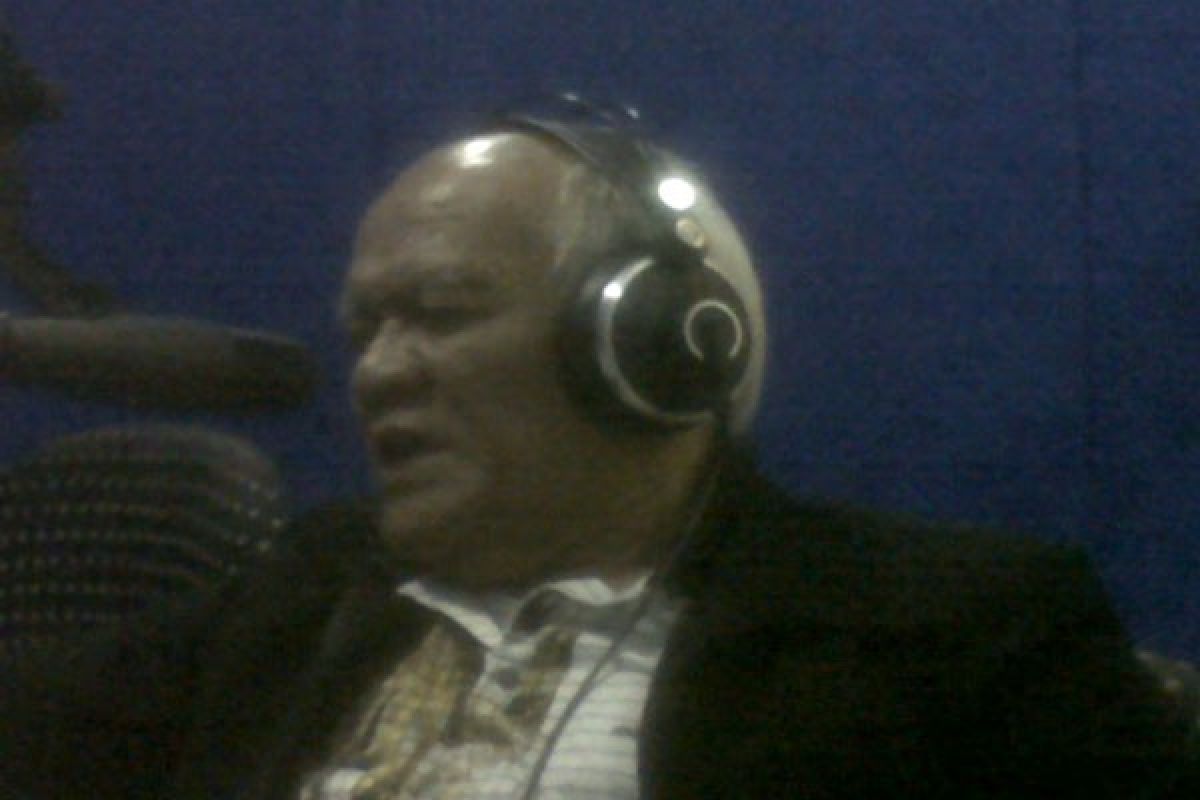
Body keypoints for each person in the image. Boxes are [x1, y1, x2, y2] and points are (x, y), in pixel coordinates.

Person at [0, 114, 1196, 800]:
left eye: (442, 313)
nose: (377, 371)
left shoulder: (948, 630)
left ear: (650, 344)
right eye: (365, 329)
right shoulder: (302, 596)